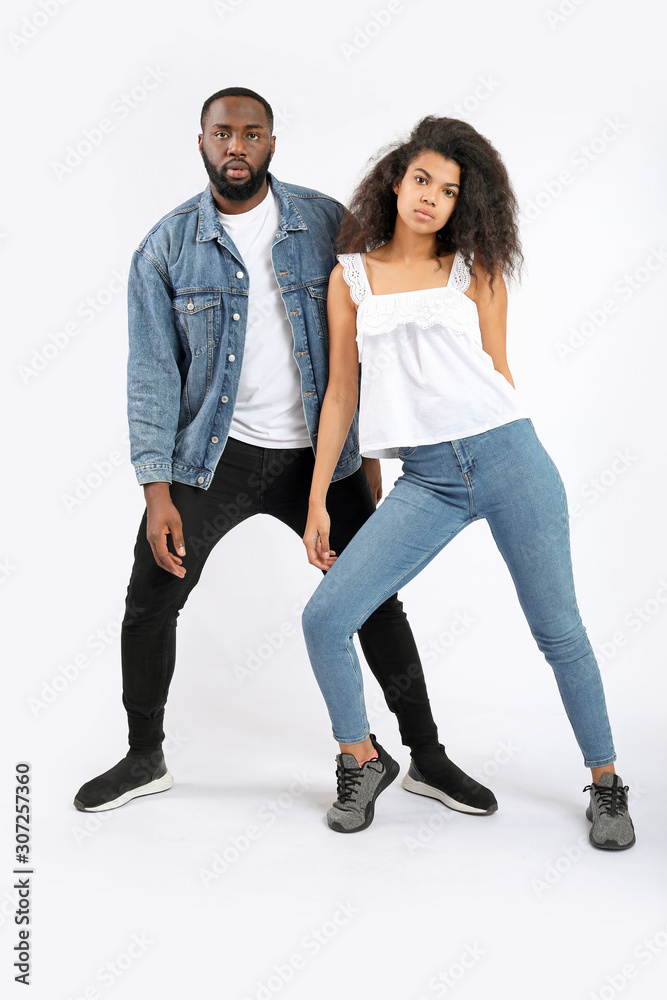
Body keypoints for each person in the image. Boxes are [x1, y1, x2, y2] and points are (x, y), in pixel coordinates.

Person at [73, 89, 496, 817]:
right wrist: (156, 492)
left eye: (252, 133)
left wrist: (366, 461)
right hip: (217, 456)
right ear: (201, 140)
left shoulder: (326, 223)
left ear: (272, 142)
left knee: (374, 603)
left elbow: (369, 334)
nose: (236, 145)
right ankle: (144, 755)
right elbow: (151, 374)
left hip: (323, 456)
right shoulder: (165, 247)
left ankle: (425, 757)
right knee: (151, 598)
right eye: (222, 133)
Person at [301, 116, 636, 849]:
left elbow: (498, 372)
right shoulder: (349, 277)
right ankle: (359, 758)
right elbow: (339, 396)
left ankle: (606, 783)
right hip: (426, 480)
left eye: (448, 190)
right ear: (395, 180)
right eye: (421, 179)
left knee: (560, 634)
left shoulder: (473, 270)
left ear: (461, 203)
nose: (430, 198)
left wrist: (522, 460)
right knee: (325, 618)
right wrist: (320, 497)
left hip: (509, 456)